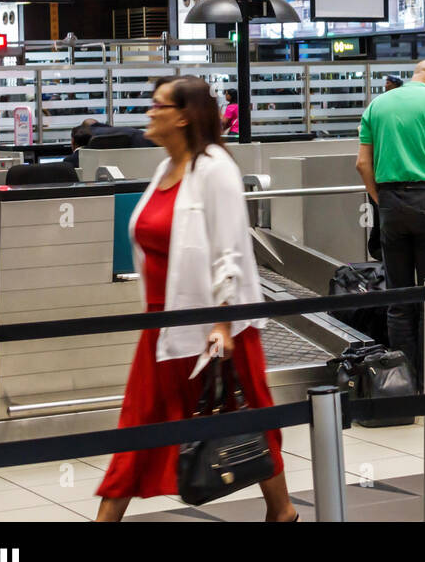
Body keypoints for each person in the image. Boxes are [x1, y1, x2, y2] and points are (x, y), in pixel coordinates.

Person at [95, 77, 294, 521]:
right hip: (163, 323)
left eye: (157, 105)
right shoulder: (166, 170)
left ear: (183, 115)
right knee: (139, 426)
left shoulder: (215, 166)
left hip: (214, 324)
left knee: (248, 417)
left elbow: (228, 251)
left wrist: (222, 324)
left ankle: (282, 512)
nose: (149, 112)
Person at [355, 59, 425, 387]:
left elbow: (362, 163)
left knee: (399, 299)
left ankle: (404, 382)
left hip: (391, 205)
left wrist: (379, 199)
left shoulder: (378, 105)